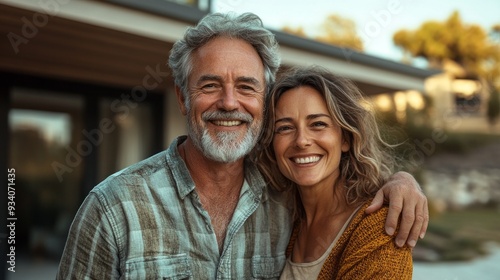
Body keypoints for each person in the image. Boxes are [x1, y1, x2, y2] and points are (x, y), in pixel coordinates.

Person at [56, 12, 427, 279]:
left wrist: (401, 181)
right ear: (183, 99)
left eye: (247, 86)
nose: (230, 103)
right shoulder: (114, 208)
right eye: (210, 85)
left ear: (263, 102)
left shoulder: (283, 198)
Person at [255, 66, 413, 279]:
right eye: (284, 128)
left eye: (318, 124)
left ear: (345, 139)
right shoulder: (284, 219)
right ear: (272, 144)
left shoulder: (379, 228)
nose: (301, 140)